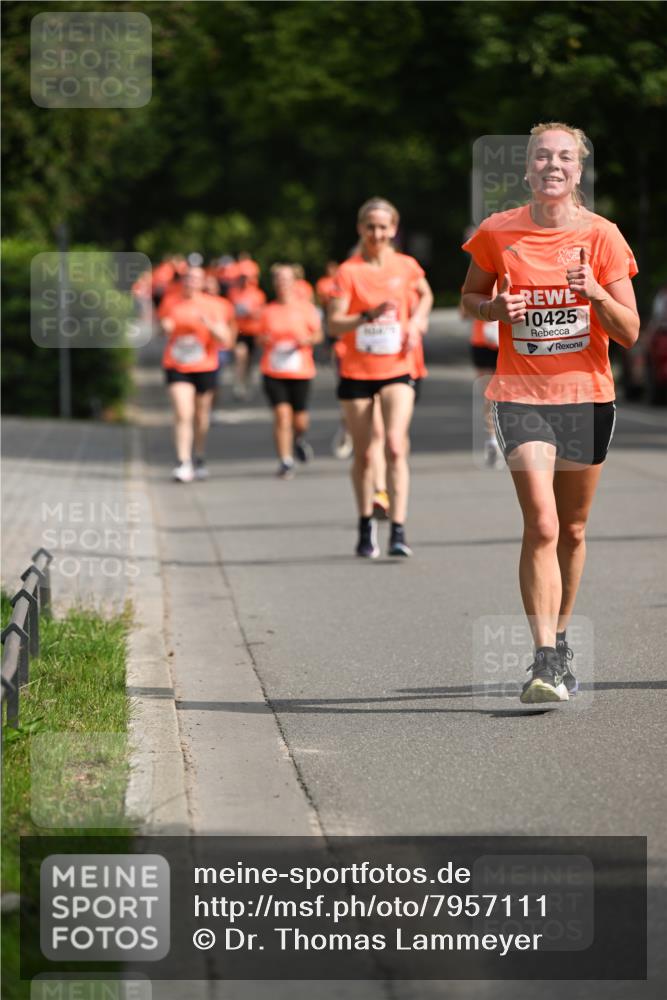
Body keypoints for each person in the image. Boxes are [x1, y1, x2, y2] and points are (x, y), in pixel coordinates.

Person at [462, 122, 639, 703]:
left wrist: (598, 294)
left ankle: (560, 640)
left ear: (579, 170)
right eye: (542, 156)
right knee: (540, 523)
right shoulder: (498, 231)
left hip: (587, 398)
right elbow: (470, 300)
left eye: (564, 157)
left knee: (573, 528)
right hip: (520, 396)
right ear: (528, 167)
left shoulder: (603, 237)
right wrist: (494, 307)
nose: (552, 165)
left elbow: (631, 332)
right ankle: (542, 659)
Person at [328, 197, 433, 557]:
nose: (377, 233)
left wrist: (418, 321)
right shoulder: (349, 272)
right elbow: (333, 322)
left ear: (393, 229)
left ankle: (399, 531)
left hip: (397, 367)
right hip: (356, 371)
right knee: (365, 455)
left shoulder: (406, 266)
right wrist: (365, 316)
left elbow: (425, 294)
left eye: (383, 226)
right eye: (370, 226)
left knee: (393, 444)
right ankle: (365, 525)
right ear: (361, 229)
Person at [160, 266, 236, 482]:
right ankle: (183, 461)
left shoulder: (215, 306)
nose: (190, 282)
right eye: (187, 278)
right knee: (183, 413)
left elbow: (226, 340)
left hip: (205, 365)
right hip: (176, 364)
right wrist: (165, 326)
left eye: (195, 278)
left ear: (203, 282)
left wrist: (210, 326)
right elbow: (164, 324)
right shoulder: (171, 302)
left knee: (201, 417)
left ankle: (199, 455)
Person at [259, 264, 323, 479]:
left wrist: (308, 339)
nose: (282, 284)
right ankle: (285, 460)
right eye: (278, 280)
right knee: (282, 416)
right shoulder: (267, 310)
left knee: (300, 421)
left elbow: (318, 335)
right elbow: (258, 336)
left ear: (295, 283)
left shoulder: (306, 308)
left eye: (286, 280)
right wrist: (264, 340)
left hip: (300, 370)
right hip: (274, 370)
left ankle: (299, 439)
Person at [229, 273, 267, 400]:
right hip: (240, 331)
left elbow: (262, 313)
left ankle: (247, 383)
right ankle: (239, 384)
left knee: (250, 361)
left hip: (254, 331)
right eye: (242, 278)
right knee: (241, 356)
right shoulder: (233, 293)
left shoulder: (258, 294)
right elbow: (229, 311)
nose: (244, 281)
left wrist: (250, 312)